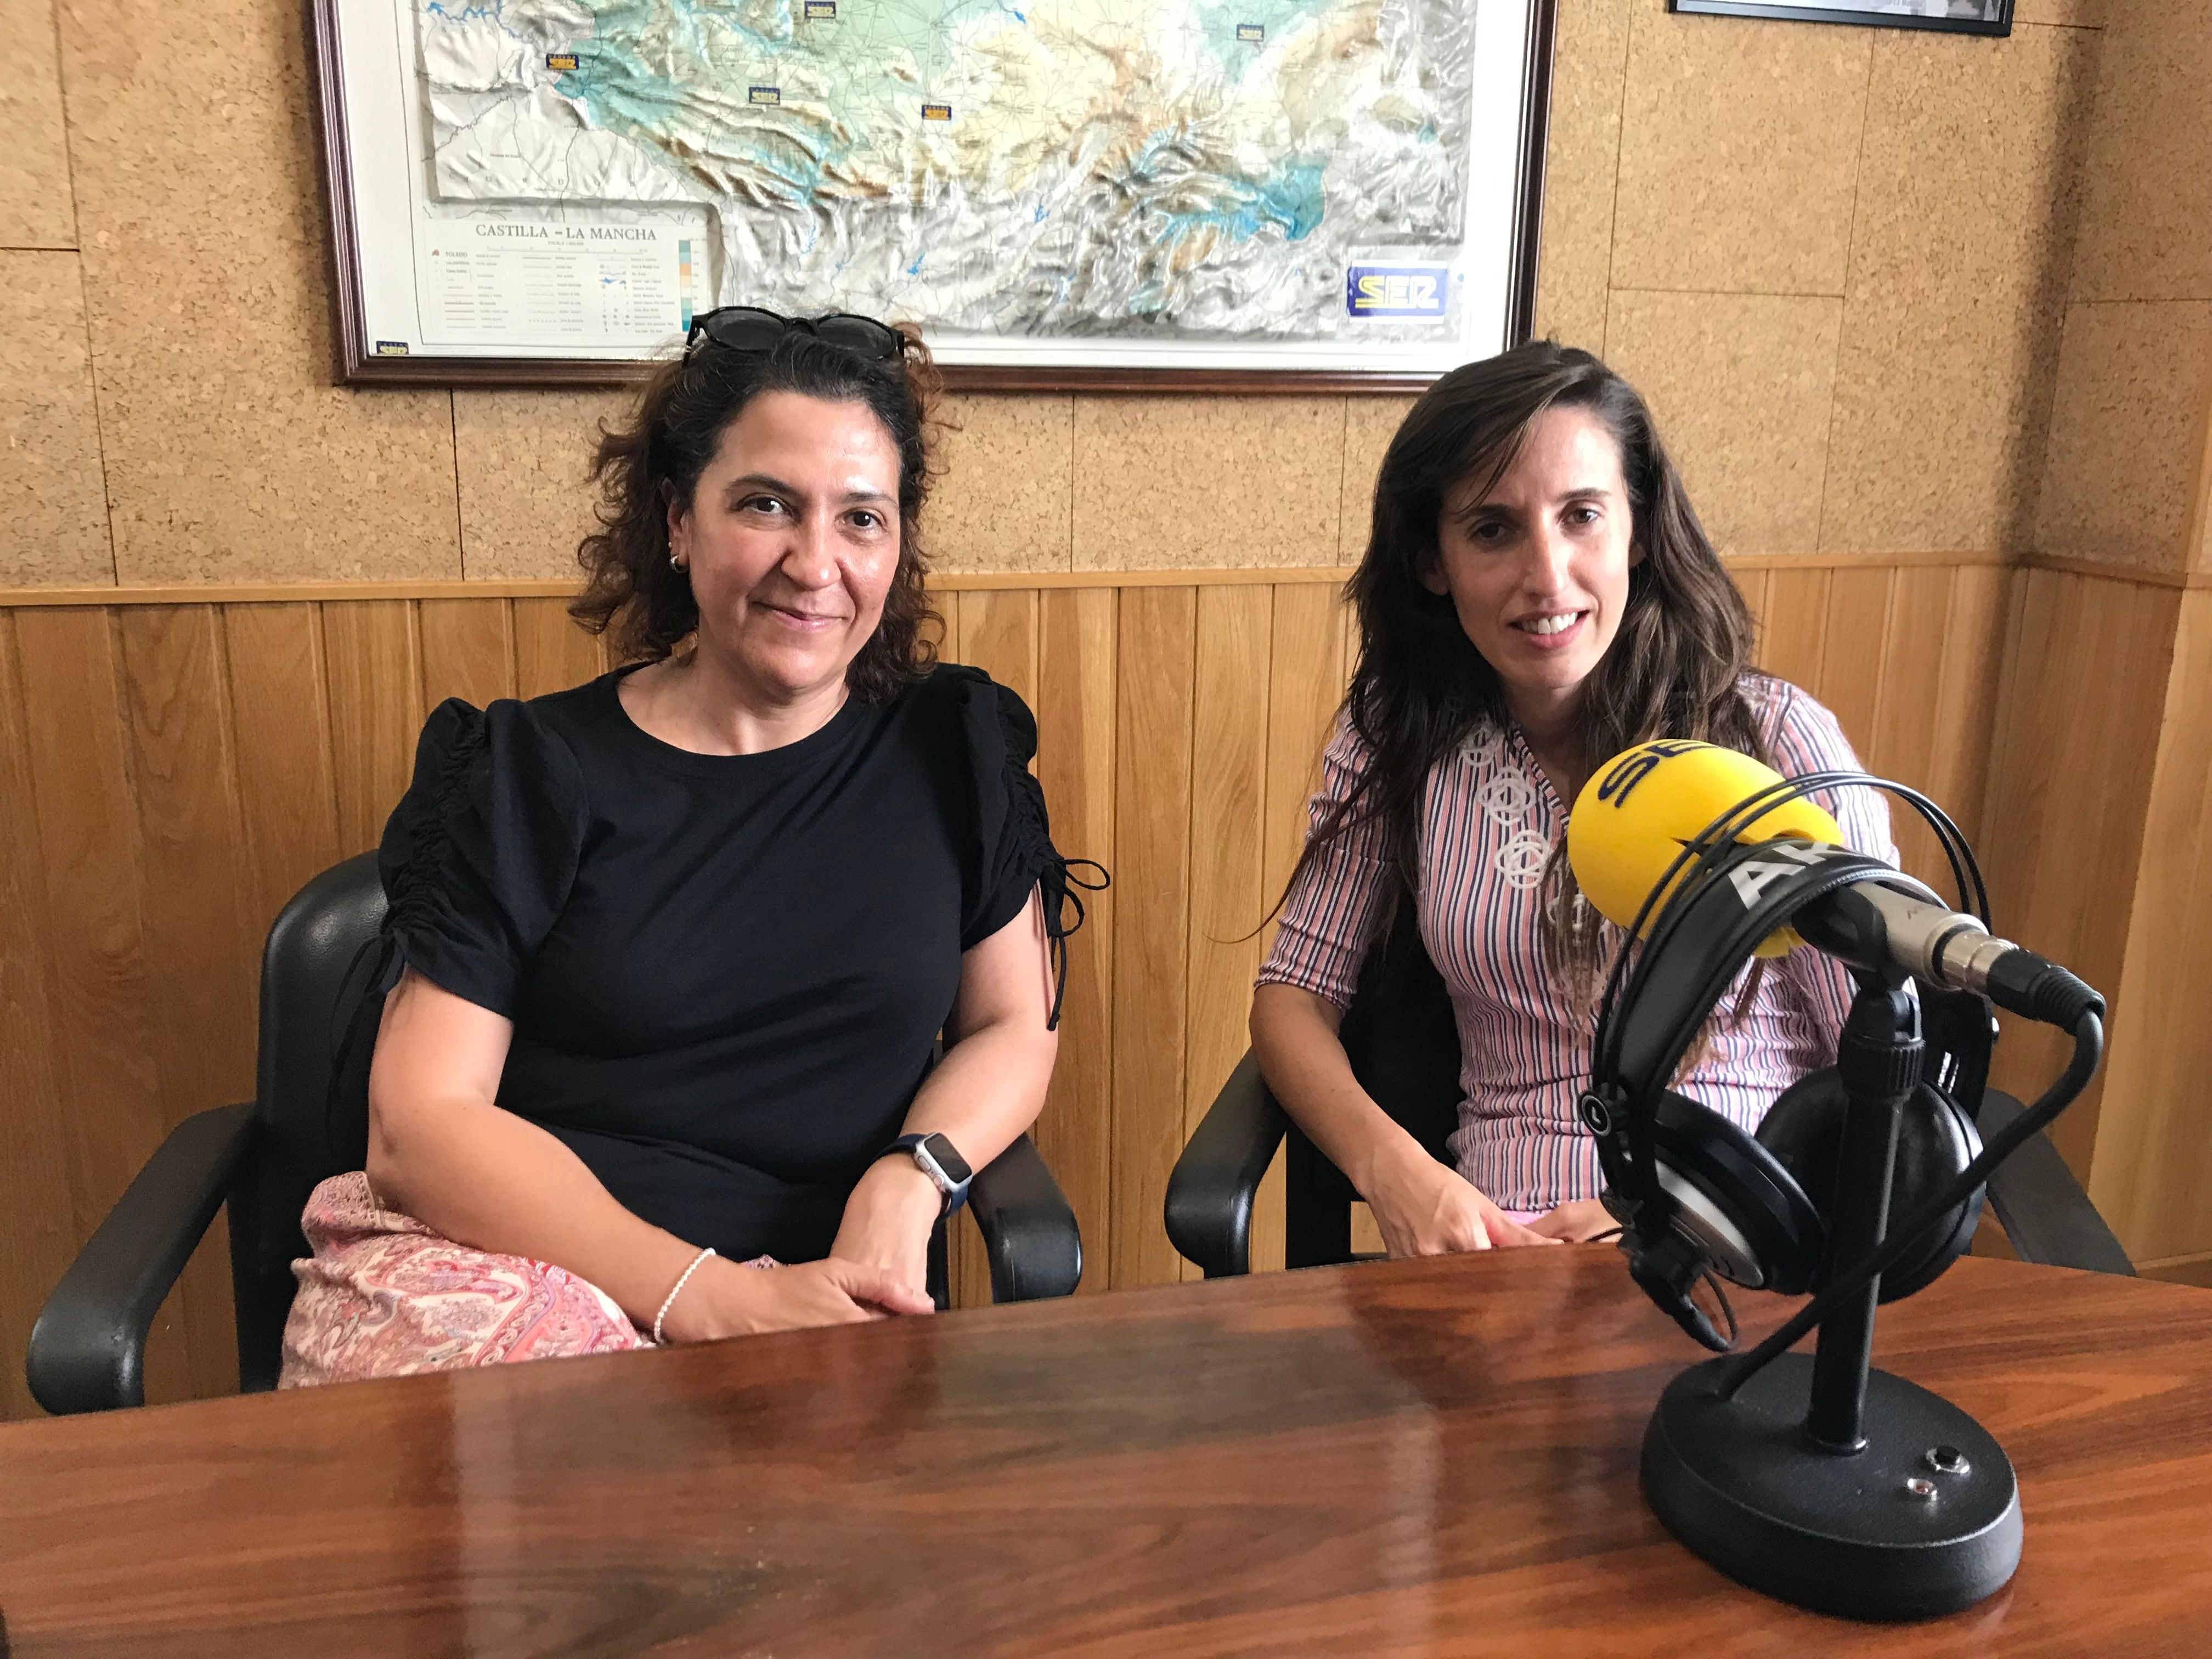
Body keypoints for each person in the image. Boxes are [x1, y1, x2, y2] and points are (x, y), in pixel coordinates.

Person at [281, 308, 1093, 1385]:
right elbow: (421, 1127)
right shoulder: (529, 769)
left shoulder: (954, 747)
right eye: (767, 505)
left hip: (809, 1300)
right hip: (508, 1269)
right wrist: (708, 1298)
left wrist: (909, 1178)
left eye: (862, 518)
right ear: (679, 520)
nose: (816, 563)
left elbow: (1009, 1027)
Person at [1251, 342, 1892, 1257]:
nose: (1547, 577)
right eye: (1492, 529)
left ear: (1638, 527)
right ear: (1434, 562)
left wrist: (1685, 1206)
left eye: (1581, 516)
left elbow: (1886, 1069)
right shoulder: (1398, 741)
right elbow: (1293, 1000)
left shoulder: (1778, 741)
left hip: (1741, 1241)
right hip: (1500, 1252)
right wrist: (1394, 1173)